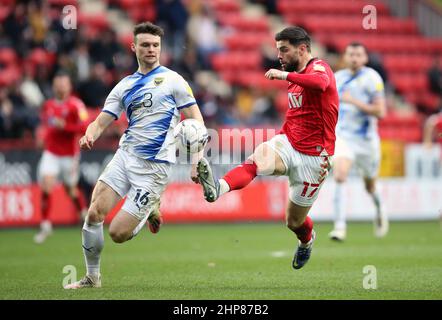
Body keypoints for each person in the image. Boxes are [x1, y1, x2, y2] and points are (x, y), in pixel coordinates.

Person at [64, 22, 204, 289]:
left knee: (117, 233)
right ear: (134, 47)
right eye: (145, 45)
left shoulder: (174, 80)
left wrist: (196, 162)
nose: (151, 49)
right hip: (125, 157)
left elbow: (196, 123)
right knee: (93, 214)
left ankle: (149, 208)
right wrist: (90, 134)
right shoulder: (124, 86)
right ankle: (92, 278)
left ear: (160, 48)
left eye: (155, 45)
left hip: (155, 168)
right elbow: (101, 120)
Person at [197, 26, 338, 270]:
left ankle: (306, 240)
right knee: (257, 160)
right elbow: (297, 115)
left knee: (294, 221)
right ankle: (218, 188)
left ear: (302, 49)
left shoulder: (318, 68)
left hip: (316, 158)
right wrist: (282, 135)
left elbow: (321, 83)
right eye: (278, 50)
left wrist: (284, 76)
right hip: (289, 144)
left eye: (284, 50)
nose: (279, 56)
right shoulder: (296, 79)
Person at [328, 42, 388, 241]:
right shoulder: (337, 78)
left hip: (367, 141)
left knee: (369, 186)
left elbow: (381, 112)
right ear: (345, 57)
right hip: (344, 137)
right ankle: (339, 227)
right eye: (350, 54)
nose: (354, 58)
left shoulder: (372, 78)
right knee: (340, 175)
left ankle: (379, 210)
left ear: (365, 58)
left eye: (358, 54)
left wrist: (352, 101)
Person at [34, 71, 89, 244]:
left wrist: (65, 126)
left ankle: (84, 214)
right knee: (46, 184)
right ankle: (45, 225)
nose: (60, 87)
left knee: (71, 190)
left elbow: (85, 125)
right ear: (53, 86)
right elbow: (46, 124)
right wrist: (41, 137)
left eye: (63, 84)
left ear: (69, 86)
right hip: (51, 152)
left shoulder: (76, 105)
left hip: (69, 155)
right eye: (58, 84)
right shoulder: (48, 105)